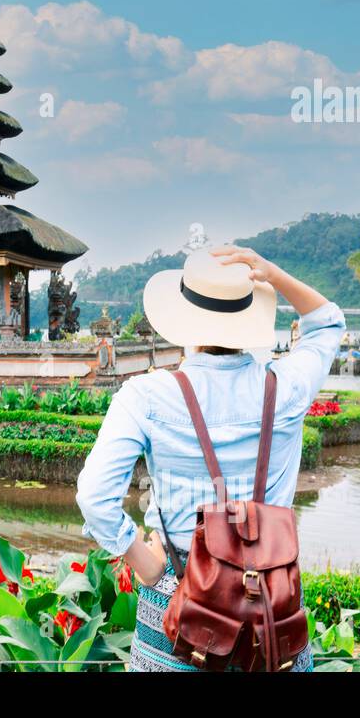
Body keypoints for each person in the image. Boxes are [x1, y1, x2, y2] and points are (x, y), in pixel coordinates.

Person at [76, 245, 345, 672]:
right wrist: (273, 275)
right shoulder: (287, 387)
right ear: (248, 320)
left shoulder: (146, 395)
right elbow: (328, 322)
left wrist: (144, 563)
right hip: (269, 608)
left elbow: (94, 496)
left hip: (180, 605)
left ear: (185, 322)